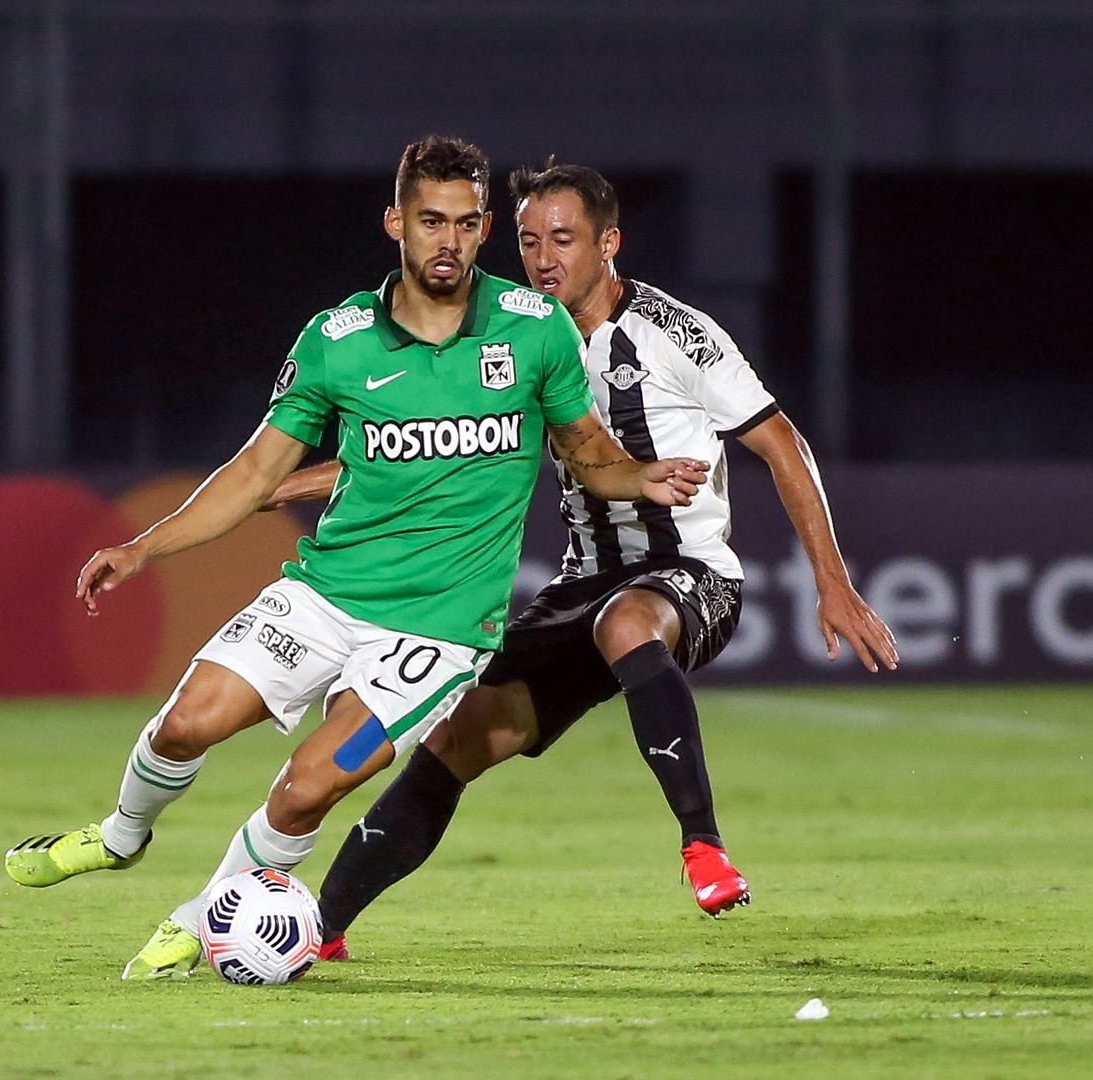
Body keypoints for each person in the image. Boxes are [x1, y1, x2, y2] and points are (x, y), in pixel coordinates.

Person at [2, 136, 709, 980]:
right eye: (429, 221)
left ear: (485, 229)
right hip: (327, 595)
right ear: (395, 223)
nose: (447, 240)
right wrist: (142, 546)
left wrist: (640, 477)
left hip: (440, 630)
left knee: (308, 786)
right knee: (187, 722)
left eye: (466, 223)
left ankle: (202, 919)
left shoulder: (533, 331)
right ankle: (120, 838)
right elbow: (257, 471)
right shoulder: (339, 339)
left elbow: (586, 446)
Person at [267, 160, 898, 958]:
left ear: (610, 245)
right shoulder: (519, 338)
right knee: (455, 741)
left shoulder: (676, 334)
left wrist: (833, 584)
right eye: (529, 241)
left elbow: (783, 444)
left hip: (691, 578)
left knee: (629, 621)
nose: (542, 259)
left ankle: (703, 847)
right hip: (582, 586)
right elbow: (413, 451)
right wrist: (284, 481)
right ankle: (316, 930)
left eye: (562, 240)